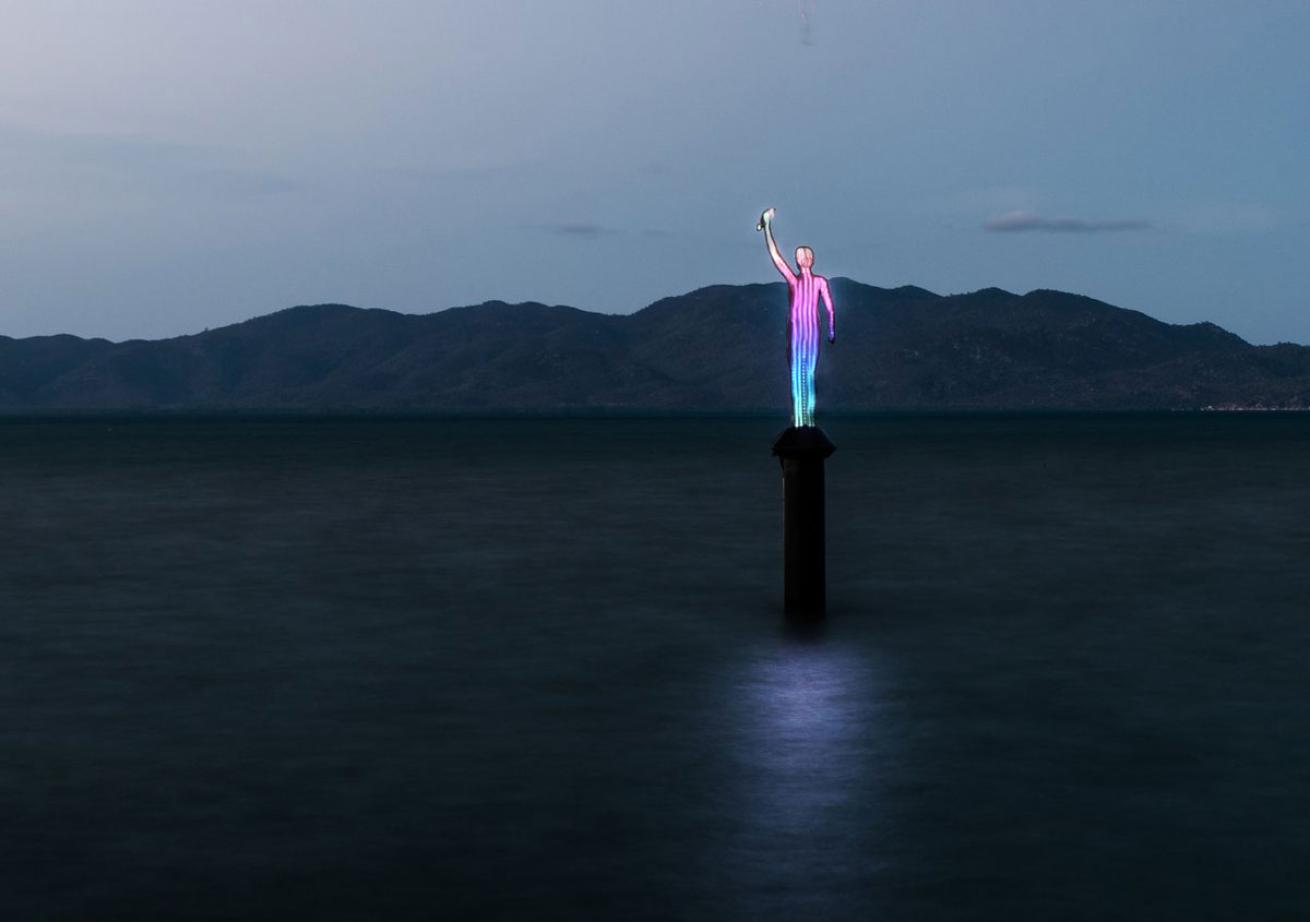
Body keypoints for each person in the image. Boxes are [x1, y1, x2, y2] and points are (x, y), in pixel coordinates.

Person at [757, 207, 835, 427]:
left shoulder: (814, 281)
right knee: (801, 374)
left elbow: (829, 307)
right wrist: (767, 228)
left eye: (806, 255)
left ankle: (805, 420)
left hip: (807, 330)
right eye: (803, 256)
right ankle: (803, 420)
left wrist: (831, 328)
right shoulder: (799, 281)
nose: (805, 258)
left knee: (804, 374)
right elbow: (777, 258)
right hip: (803, 329)